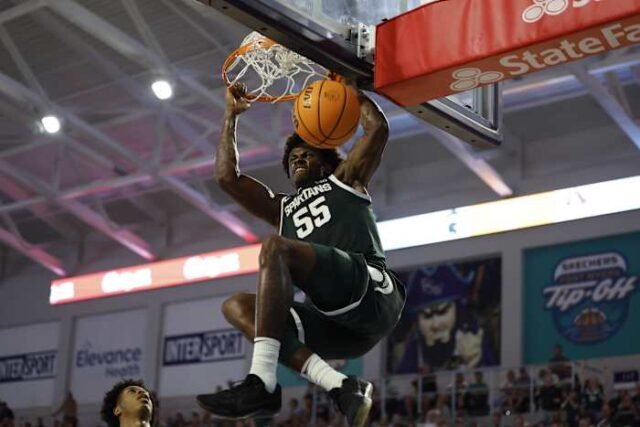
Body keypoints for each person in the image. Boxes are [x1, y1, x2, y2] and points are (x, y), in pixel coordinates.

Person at [196, 82, 406, 427]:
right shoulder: (283, 209)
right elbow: (226, 177)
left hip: (372, 293)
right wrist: (231, 116)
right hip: (343, 330)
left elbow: (377, 128)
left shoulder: (345, 178)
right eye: (293, 158)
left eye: (307, 154)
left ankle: (261, 380)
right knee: (237, 307)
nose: (298, 160)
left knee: (275, 248)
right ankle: (340, 385)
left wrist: (350, 90)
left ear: (326, 162)